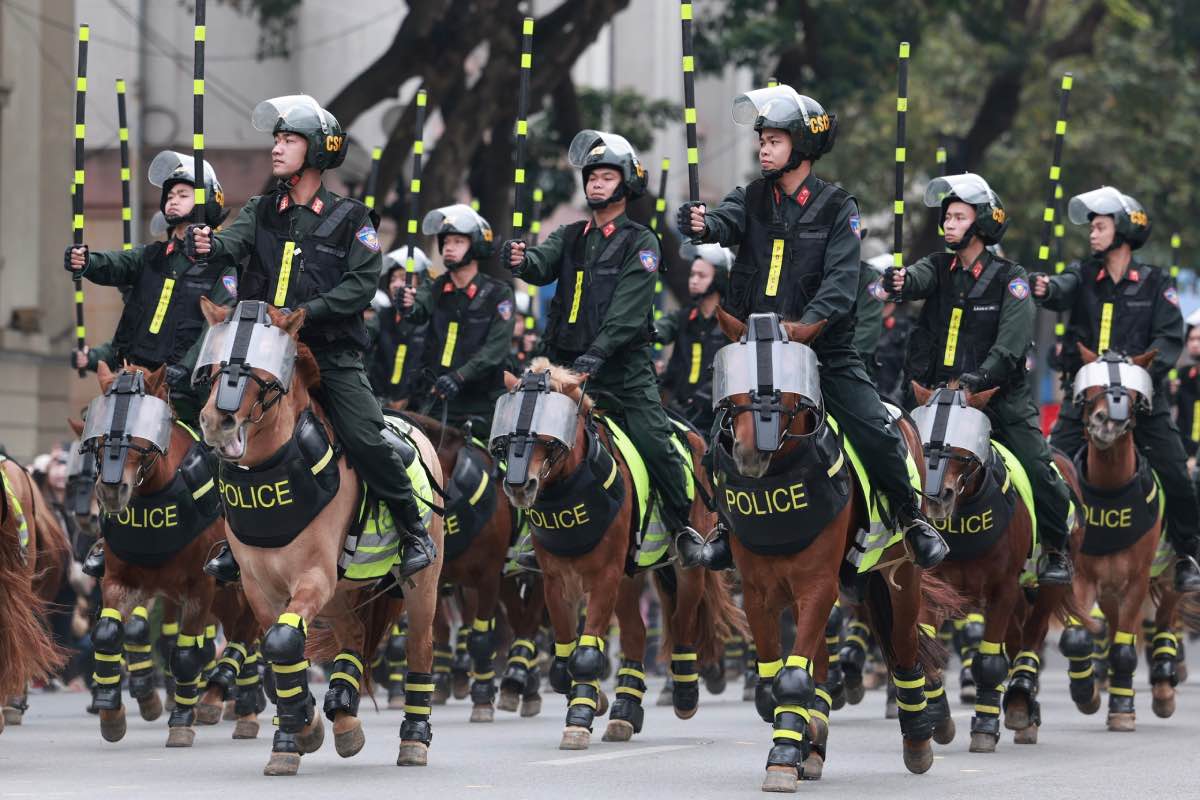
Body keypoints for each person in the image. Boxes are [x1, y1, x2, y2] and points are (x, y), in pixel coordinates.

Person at [676, 84, 947, 569]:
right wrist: (702, 226)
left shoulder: (839, 207)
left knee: (876, 430)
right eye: (761, 140)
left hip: (824, 353)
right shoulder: (751, 197)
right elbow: (724, 222)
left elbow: (842, 285)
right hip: (757, 352)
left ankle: (910, 517)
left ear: (800, 147)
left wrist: (802, 329)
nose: (763, 148)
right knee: (717, 433)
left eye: (774, 140)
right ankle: (720, 523)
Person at [189, 94, 435, 581]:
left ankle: (412, 531)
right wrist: (208, 244)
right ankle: (232, 541)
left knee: (366, 435)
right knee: (217, 425)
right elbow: (229, 248)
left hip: (328, 355)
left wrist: (304, 313)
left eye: (289, 140)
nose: (277, 149)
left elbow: (362, 284)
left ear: (318, 151)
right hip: (263, 356)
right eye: (276, 140)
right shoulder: (261, 210)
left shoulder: (352, 219)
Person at [502, 129, 701, 559]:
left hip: (621, 372)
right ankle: (527, 532)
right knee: (523, 441)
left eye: (606, 175)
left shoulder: (642, 242)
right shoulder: (570, 235)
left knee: (656, 443)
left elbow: (628, 312)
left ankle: (683, 527)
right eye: (591, 176)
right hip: (563, 371)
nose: (595, 182)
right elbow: (540, 264)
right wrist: (520, 259)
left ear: (626, 182)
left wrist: (596, 355)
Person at [887, 173, 1073, 584]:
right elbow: (915, 278)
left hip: (996, 397)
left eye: (957, 217)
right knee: (884, 459)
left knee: (1040, 470)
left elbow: (1010, 347)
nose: (948, 224)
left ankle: (1056, 550)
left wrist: (977, 380)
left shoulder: (1013, 278)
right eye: (947, 217)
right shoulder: (937, 267)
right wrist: (899, 281)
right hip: (932, 401)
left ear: (983, 223)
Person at [1032, 186, 1200, 592]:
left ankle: (1187, 555)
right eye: (1091, 226)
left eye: (1101, 226)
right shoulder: (1082, 273)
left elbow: (1170, 339)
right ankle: (1051, 549)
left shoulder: (1157, 283)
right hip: (1086, 399)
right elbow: (1060, 289)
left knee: (1177, 471)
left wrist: (1140, 375)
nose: (1092, 233)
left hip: (1141, 400)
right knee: (1050, 464)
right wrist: (1044, 288)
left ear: (1123, 230)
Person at [65, 151, 237, 425]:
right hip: (133, 381)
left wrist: (185, 369)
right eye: (169, 196)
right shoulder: (150, 256)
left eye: (183, 195)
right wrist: (87, 261)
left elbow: (216, 329)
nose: (172, 201)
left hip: (184, 393)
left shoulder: (222, 267)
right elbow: (115, 263)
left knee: (202, 458)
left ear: (206, 200)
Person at [400, 205, 514, 437]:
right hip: (436, 400)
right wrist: (406, 302)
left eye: (458, 242)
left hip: (480, 407)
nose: (449, 248)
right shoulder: (436, 287)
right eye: (446, 242)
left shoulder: (498, 294)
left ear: (477, 245)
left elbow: (496, 349)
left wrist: (459, 376)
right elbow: (416, 310)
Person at [655, 242, 734, 431]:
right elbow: (657, 330)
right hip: (676, 415)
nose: (694, 280)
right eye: (692, 274)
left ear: (720, 279)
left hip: (716, 424)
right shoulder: (683, 317)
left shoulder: (732, 326)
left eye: (701, 275)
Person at [367, 246, 431, 406]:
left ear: (421, 282)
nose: (396, 285)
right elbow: (363, 335)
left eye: (403, 278)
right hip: (379, 401)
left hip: (418, 408)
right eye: (393, 279)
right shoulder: (383, 316)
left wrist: (410, 399)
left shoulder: (431, 319)